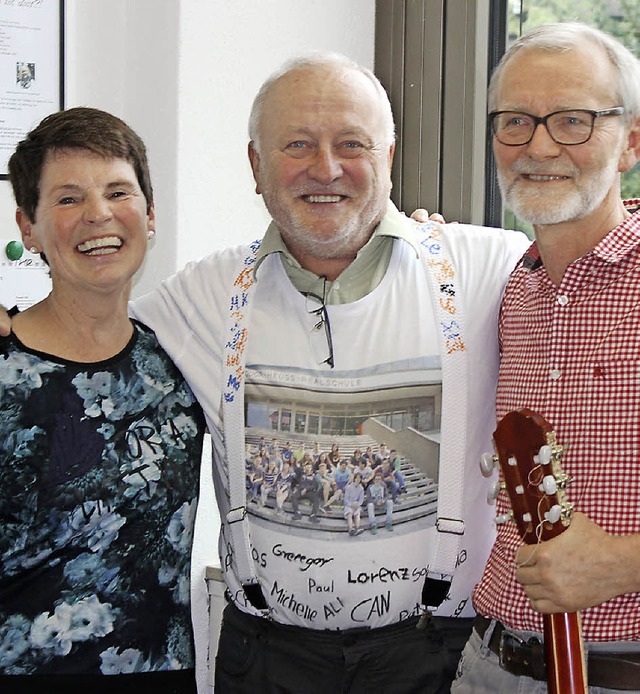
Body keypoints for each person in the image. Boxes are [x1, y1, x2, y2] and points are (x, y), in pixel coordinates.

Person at [0, 53, 529, 692]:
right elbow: (80, 318)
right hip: (264, 660)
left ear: (389, 157)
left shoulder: (492, 270)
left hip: (435, 654)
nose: (326, 168)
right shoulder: (197, 296)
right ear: (256, 166)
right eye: (297, 145)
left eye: (352, 144)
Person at [451, 23, 640, 694]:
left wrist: (625, 564)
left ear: (631, 142)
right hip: (487, 665)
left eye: (573, 121)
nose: (538, 146)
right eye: (516, 122)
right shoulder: (506, 287)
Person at [0, 108, 205, 693]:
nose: (98, 213)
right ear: (29, 227)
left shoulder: (180, 360)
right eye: (67, 199)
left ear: (150, 213)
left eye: (119, 190)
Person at [366, 469, 394, 535]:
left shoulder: (383, 485)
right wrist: (376, 502)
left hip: (382, 503)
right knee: (370, 505)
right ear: (374, 480)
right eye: (376, 479)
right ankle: (373, 525)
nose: (377, 481)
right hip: (374, 504)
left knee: (390, 502)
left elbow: (387, 495)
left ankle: (389, 522)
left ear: (381, 480)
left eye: (379, 479)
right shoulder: (370, 487)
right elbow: (368, 499)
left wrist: (383, 500)